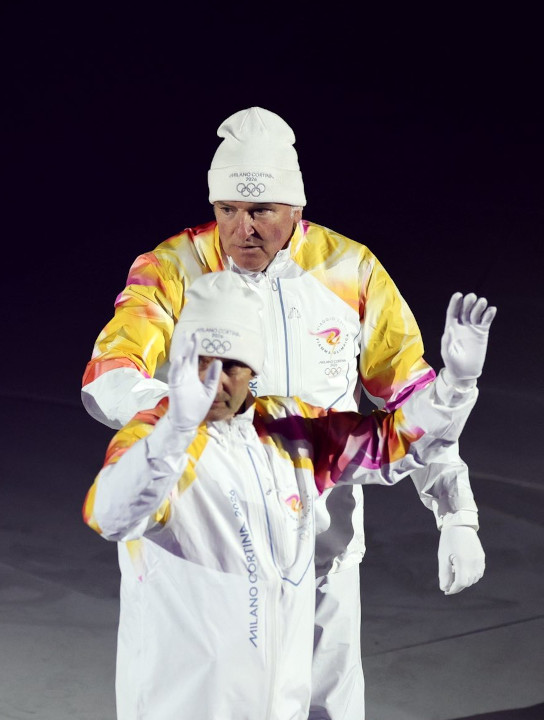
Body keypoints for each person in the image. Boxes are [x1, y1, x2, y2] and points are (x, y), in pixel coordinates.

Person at [80, 107, 484, 719]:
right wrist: (191, 420)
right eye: (228, 211)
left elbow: (405, 409)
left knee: (325, 707)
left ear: (296, 207)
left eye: (262, 210)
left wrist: (456, 511)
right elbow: (111, 373)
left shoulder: (350, 270)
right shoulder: (171, 268)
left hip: (319, 545)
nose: (242, 229)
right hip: (203, 549)